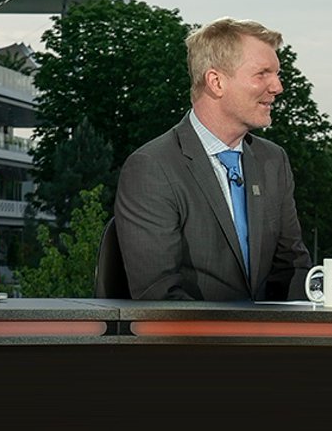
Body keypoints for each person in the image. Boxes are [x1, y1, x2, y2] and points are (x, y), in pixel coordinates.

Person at [114, 17, 312, 300]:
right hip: (193, 330)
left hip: (268, 329)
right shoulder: (152, 167)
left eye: (277, 74)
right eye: (262, 74)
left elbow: (292, 270)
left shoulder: (273, 160)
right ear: (216, 82)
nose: (277, 87)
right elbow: (159, 296)